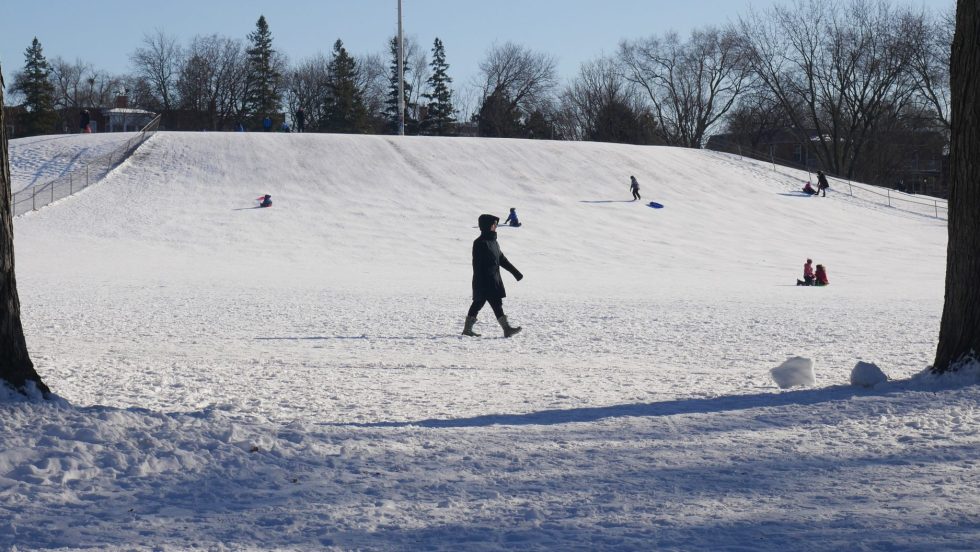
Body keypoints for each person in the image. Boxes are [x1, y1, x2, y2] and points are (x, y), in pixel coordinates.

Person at [462, 214, 524, 338]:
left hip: (494, 280)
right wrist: (481, 282)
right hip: (483, 281)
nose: (496, 226)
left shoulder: (494, 242)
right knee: (479, 303)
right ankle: (468, 330)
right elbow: (477, 265)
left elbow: (502, 259)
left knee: (495, 303)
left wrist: (516, 273)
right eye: (494, 224)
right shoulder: (479, 243)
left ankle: (506, 329)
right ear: (487, 226)